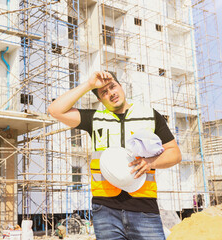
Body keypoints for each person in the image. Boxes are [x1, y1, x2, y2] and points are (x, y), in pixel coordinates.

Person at [48, 71, 182, 240]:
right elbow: (54, 110)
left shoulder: (149, 115)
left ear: (121, 86)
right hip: (106, 210)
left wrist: (150, 162)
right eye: (104, 92)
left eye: (113, 87)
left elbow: (175, 154)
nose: (111, 93)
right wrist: (89, 85)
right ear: (100, 99)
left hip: (144, 207)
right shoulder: (95, 119)